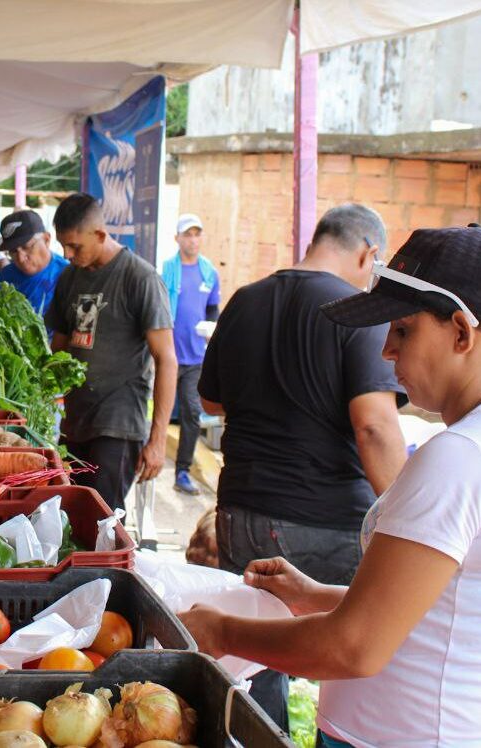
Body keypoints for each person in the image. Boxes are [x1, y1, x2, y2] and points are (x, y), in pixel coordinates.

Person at [182, 226, 481, 747]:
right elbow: (435, 610)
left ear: (461, 332)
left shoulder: (456, 457)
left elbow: (354, 646)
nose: (387, 350)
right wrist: (314, 596)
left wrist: (221, 631)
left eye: (403, 330)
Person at [196, 203, 407, 728]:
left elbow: (210, 401)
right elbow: (374, 426)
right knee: (363, 653)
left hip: (240, 512)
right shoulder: (355, 311)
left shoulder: (245, 300)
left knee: (255, 662)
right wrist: (406, 520)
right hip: (324, 517)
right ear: (369, 254)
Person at [45, 193, 177, 512]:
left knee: (103, 518)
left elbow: (166, 360)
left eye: (75, 246)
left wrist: (158, 440)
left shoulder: (140, 278)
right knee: (69, 515)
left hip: (118, 423)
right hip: (74, 421)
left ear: (101, 235)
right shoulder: (69, 277)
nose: (67, 254)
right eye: (63, 245)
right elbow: (57, 349)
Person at [160, 213, 220, 496]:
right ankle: (146, 460)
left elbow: (212, 309)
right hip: (168, 356)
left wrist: (210, 331)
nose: (193, 240)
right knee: (159, 413)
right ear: (177, 239)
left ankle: (182, 472)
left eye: (197, 234)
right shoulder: (167, 271)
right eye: (188, 235)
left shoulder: (209, 272)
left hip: (195, 358)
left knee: (192, 414)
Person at [0, 209, 69, 316]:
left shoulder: (67, 274)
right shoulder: (6, 276)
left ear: (46, 239)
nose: (21, 258)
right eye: (13, 251)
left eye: (27, 247)